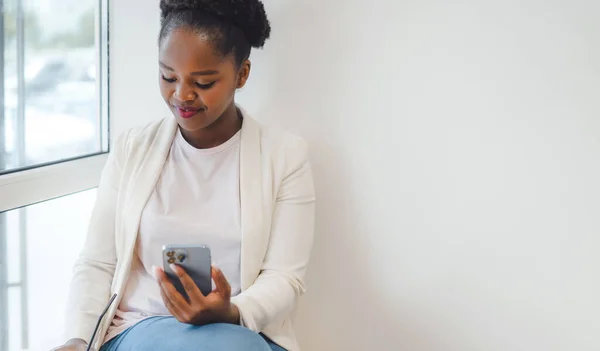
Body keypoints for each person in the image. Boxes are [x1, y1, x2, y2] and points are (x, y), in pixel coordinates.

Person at [51, 0, 315, 350]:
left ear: (242, 74)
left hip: (242, 331)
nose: (181, 95)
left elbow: (285, 277)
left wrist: (231, 311)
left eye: (203, 82)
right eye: (168, 76)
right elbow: (98, 261)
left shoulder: (285, 157)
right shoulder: (132, 149)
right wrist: (76, 340)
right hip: (141, 327)